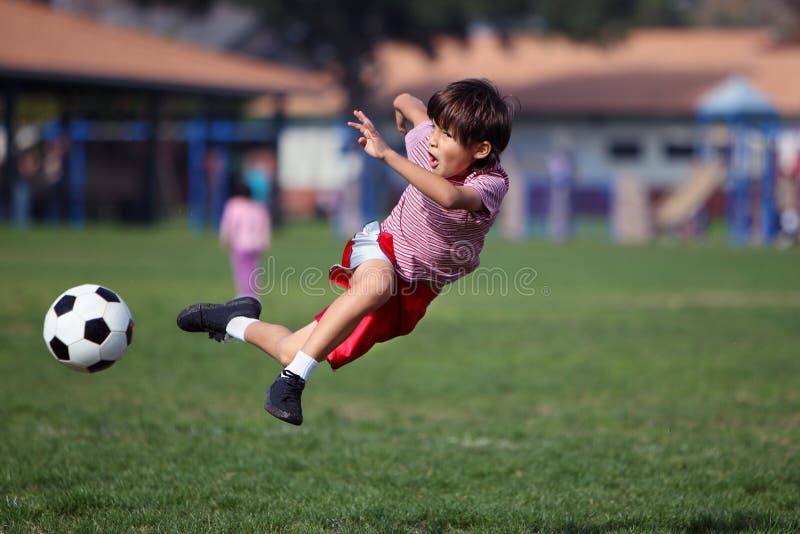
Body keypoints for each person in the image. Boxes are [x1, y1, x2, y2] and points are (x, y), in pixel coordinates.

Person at [177, 78, 514, 425]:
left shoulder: (490, 183)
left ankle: (234, 319)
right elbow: (411, 104)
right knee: (375, 286)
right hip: (383, 249)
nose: (431, 139)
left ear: (481, 149)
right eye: (435, 129)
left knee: (290, 350)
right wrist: (401, 105)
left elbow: (449, 197)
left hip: (415, 291)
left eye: (445, 135)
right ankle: (292, 382)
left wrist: (387, 152)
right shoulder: (427, 147)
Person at [218, 179, 271, 298]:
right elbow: (264, 225)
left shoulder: (234, 205)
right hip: (256, 244)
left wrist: (225, 238)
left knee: (241, 271)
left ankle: (243, 296)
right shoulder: (257, 207)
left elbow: (230, 223)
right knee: (253, 270)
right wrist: (265, 241)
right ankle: (254, 295)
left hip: (240, 243)